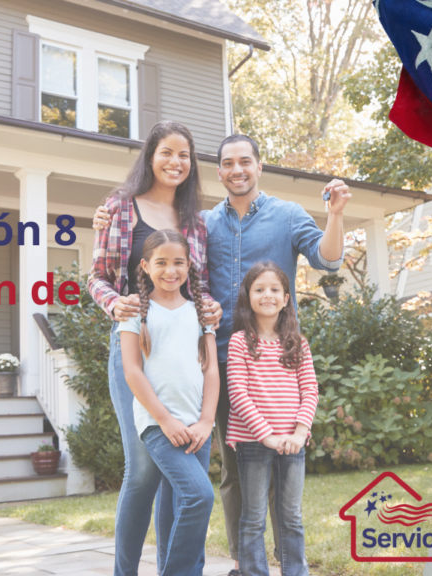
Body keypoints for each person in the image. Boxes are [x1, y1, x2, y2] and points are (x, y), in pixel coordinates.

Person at [95, 134, 349, 575]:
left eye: (245, 162)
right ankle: (243, 563)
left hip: (263, 357)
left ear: (259, 165)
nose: (237, 170)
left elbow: (327, 261)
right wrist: (104, 223)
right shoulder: (204, 221)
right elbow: (147, 274)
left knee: (271, 465)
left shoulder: (282, 215)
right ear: (217, 172)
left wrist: (336, 215)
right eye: (228, 163)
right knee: (231, 469)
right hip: (206, 354)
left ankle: (286, 564)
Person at [87, 120, 221, 576]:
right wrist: (115, 302)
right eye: (167, 152)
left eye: (184, 155)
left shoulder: (195, 223)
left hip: (182, 352)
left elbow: (196, 285)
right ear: (150, 156)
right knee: (142, 471)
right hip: (134, 344)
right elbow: (96, 277)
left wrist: (211, 308)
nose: (175, 162)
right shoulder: (120, 208)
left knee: (177, 475)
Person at [117, 229, 220, 576]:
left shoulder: (201, 312)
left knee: (180, 505)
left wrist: (206, 421)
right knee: (199, 496)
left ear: (189, 265)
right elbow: (132, 371)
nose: (170, 270)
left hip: (196, 426)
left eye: (178, 262)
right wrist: (164, 419)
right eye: (161, 263)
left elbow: (211, 372)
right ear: (145, 266)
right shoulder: (134, 311)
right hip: (159, 425)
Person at [225, 262, 318, 576]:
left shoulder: (297, 343)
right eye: (259, 289)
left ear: (287, 298)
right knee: (253, 517)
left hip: (293, 444)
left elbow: (310, 391)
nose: (268, 295)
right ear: (248, 296)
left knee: (291, 516)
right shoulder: (239, 342)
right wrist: (266, 435)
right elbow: (238, 393)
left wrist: (300, 431)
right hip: (254, 442)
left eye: (275, 289)